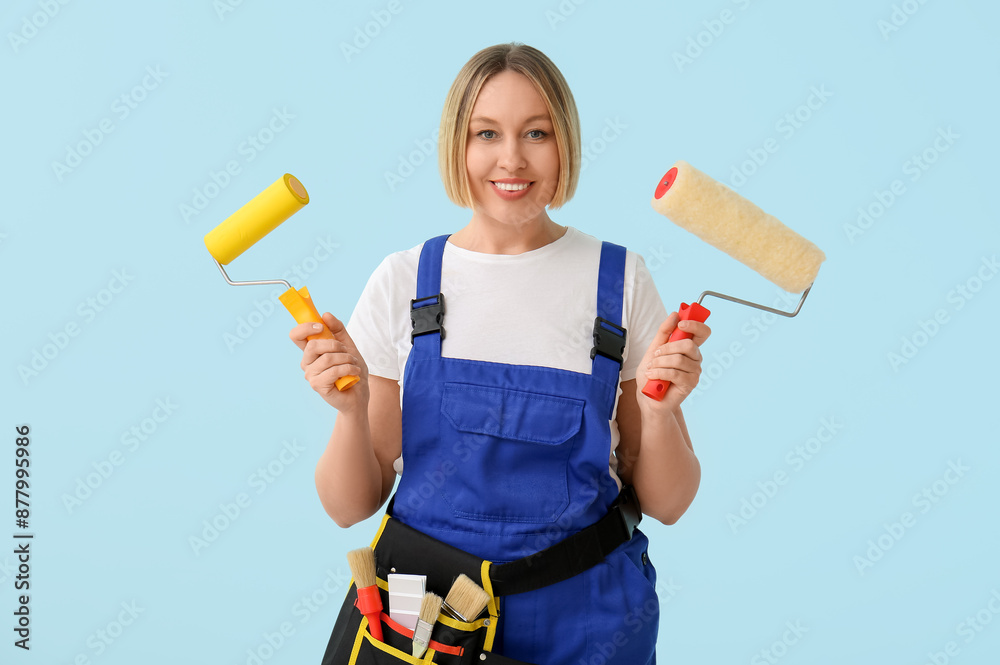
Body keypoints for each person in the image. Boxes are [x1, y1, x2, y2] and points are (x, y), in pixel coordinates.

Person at [290, 43, 709, 665]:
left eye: (535, 132)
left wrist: (659, 411)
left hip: (588, 620)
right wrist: (348, 412)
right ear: (456, 146)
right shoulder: (404, 282)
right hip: (425, 618)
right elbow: (349, 505)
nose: (511, 158)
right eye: (486, 132)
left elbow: (669, 503)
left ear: (564, 142)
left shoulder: (618, 280)